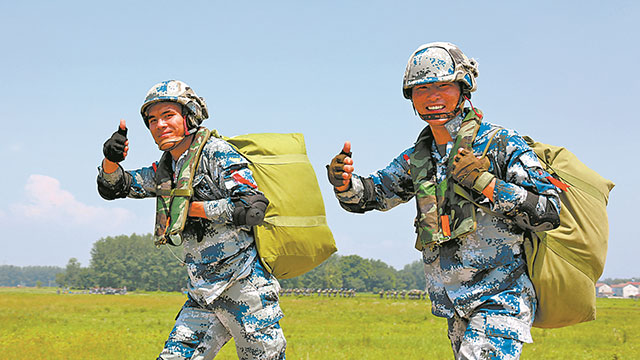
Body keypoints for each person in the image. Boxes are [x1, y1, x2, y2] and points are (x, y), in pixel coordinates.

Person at [326, 42, 561, 359]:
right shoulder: (418, 156)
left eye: (442, 85)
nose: (432, 96)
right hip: (454, 305)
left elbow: (549, 211)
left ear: (464, 88)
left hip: (501, 298)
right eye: (421, 89)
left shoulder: (500, 143)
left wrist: (485, 183)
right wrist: (344, 183)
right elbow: (370, 196)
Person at [97, 80, 286, 359]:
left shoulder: (216, 152)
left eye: (168, 115)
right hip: (202, 296)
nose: (159, 125)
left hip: (245, 288)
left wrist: (189, 209)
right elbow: (116, 187)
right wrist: (110, 161)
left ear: (191, 116)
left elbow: (251, 207)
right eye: (152, 120)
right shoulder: (166, 169)